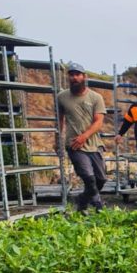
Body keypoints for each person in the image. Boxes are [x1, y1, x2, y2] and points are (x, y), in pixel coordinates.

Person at [57, 61, 108, 212]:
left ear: (84, 76)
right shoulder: (61, 97)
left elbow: (99, 122)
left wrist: (84, 136)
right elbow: (59, 122)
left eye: (77, 74)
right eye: (71, 75)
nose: (74, 78)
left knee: (101, 179)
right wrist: (58, 141)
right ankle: (99, 205)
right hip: (74, 144)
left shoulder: (96, 97)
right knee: (88, 176)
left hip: (93, 143)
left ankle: (82, 200)